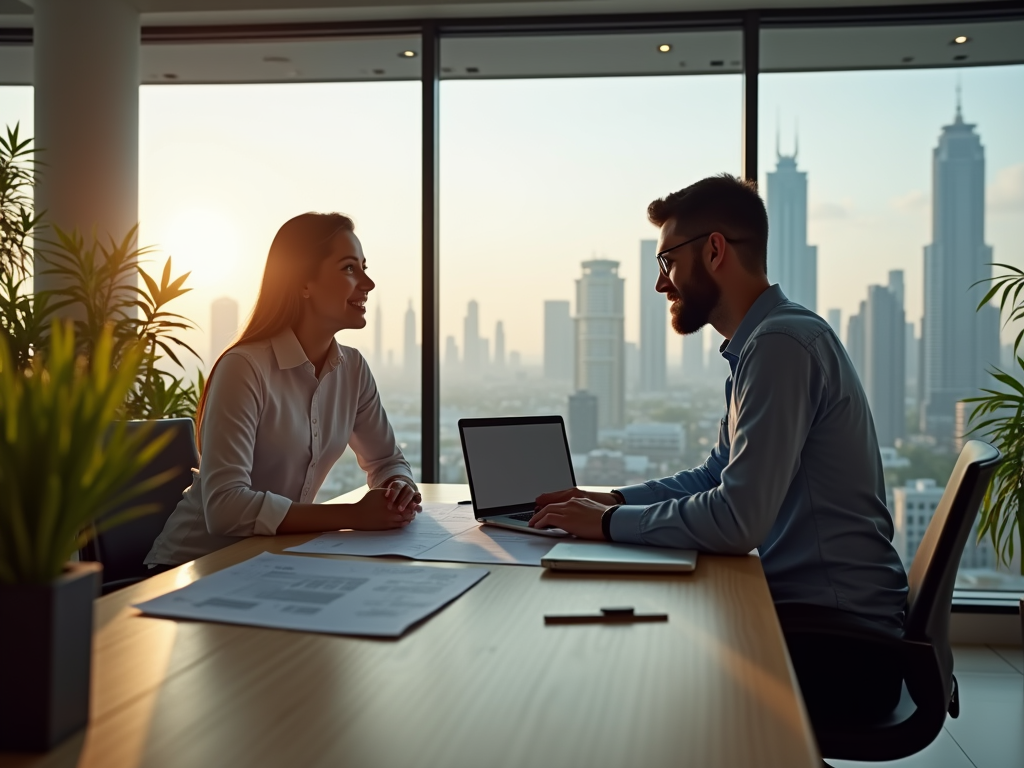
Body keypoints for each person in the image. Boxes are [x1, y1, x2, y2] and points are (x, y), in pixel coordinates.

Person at [530, 175, 908, 726]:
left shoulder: (780, 346)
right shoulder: (764, 342)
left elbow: (736, 520)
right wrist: (606, 498)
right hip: (809, 619)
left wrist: (610, 523)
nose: (662, 285)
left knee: (613, 680)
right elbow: (716, 475)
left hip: (840, 646)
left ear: (714, 250)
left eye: (667, 263)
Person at [146, 213, 420, 568]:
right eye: (350, 268)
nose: (367, 283)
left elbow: (386, 461)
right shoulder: (245, 367)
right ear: (303, 283)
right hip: (191, 569)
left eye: (364, 268)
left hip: (268, 562)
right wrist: (352, 515)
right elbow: (225, 507)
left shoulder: (352, 369)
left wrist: (398, 486)